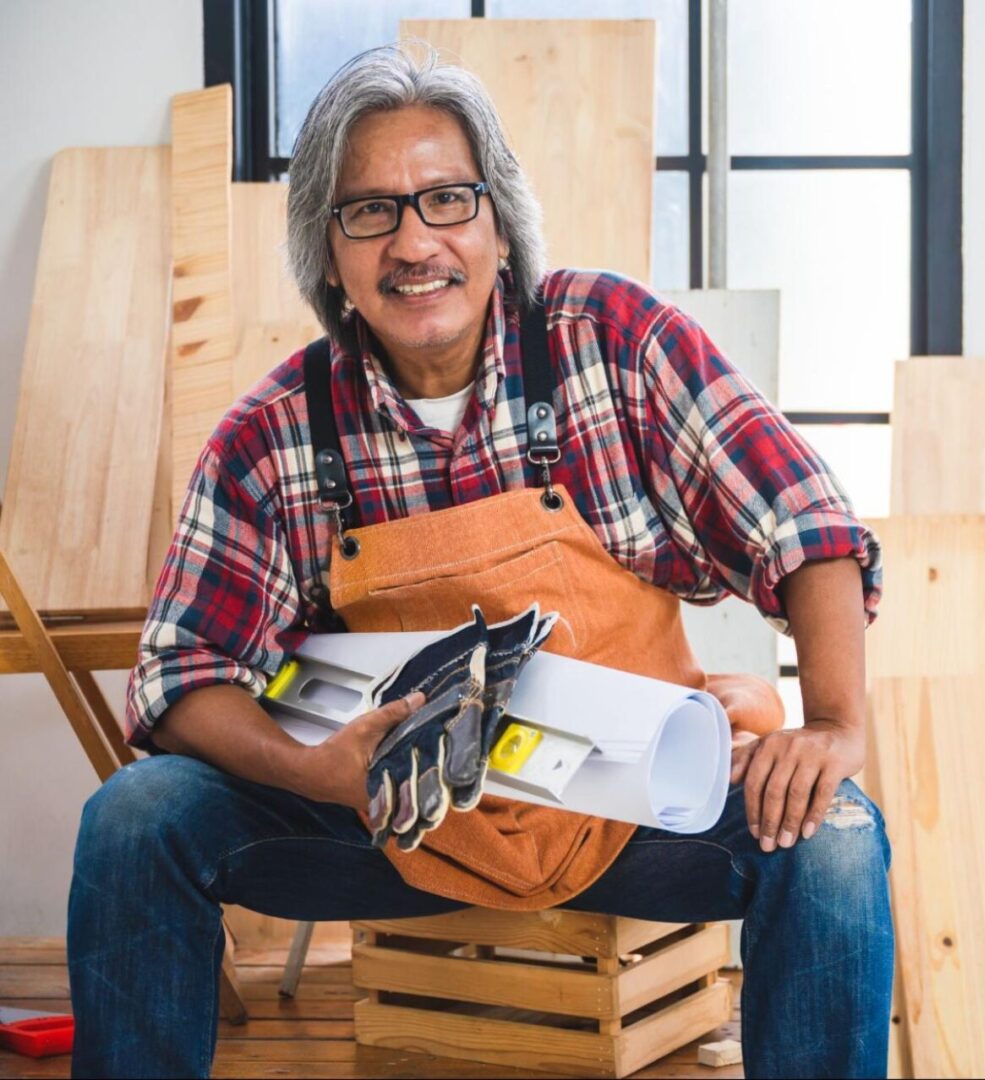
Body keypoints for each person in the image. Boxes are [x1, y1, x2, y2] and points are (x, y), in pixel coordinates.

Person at [67, 43, 890, 1079]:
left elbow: (805, 524)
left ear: (499, 223)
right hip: (392, 827)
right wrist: (315, 769)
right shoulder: (273, 435)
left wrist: (834, 725)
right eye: (370, 211)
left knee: (837, 842)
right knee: (136, 820)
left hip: (627, 812)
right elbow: (180, 675)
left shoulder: (612, 344)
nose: (415, 243)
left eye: (447, 200)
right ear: (327, 252)